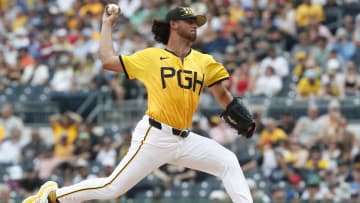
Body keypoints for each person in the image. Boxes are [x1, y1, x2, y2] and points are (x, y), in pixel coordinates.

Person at [23, 5, 254, 203]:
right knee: (112, 188)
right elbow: (108, 61)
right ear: (174, 24)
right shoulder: (151, 57)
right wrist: (106, 24)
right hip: (155, 135)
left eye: (197, 22)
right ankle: (52, 197)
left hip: (185, 139)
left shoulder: (204, 61)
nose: (195, 25)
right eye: (189, 21)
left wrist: (238, 113)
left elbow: (222, 94)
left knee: (228, 161)